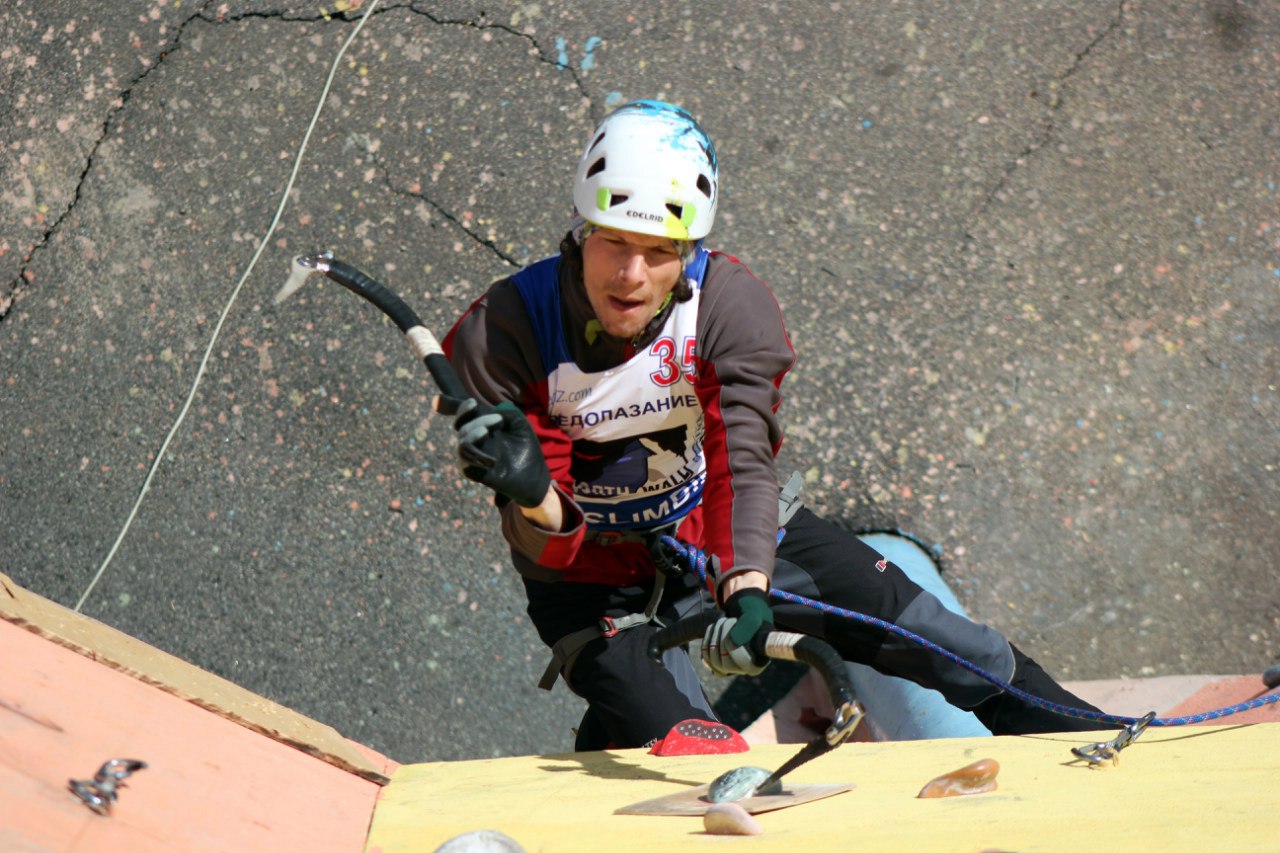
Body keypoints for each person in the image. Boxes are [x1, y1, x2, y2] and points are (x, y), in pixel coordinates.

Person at [438, 100, 1102, 750]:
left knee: (951, 642)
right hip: (594, 577)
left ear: (689, 250)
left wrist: (747, 585)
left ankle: (1096, 735)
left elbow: (742, 461)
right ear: (582, 229)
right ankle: (622, 720)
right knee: (693, 754)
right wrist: (531, 494)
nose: (631, 275)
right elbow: (549, 549)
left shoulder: (729, 306)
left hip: (718, 524)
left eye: (658, 251)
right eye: (613, 242)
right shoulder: (505, 330)